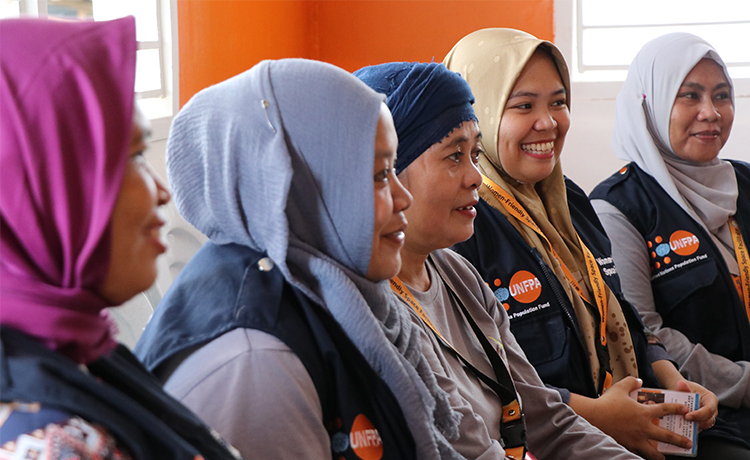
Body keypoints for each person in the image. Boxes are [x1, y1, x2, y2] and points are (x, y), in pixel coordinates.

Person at [134, 58, 467, 460]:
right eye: (379, 175)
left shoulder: (340, 296)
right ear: (297, 187)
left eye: (394, 170)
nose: (403, 197)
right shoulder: (256, 364)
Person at [443, 28, 740, 460]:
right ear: (478, 114)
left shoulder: (573, 204)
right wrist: (600, 416)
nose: (548, 122)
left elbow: (623, 313)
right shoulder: (464, 224)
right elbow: (484, 379)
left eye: (559, 102)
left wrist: (673, 381)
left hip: (635, 430)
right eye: (524, 105)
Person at [355, 61, 643, 460]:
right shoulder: (374, 306)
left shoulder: (457, 274)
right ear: (392, 170)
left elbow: (545, 419)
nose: (475, 177)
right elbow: (470, 446)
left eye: (475, 154)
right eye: (454, 156)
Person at [0, 17, 241, 459]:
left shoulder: (85, 353)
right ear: (42, 185)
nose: (162, 190)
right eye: (133, 156)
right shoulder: (50, 446)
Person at [591, 32, 750, 453]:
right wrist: (743, 383)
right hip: (702, 417)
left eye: (721, 95)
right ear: (652, 102)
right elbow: (644, 329)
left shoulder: (746, 183)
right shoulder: (617, 207)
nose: (710, 113)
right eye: (690, 96)